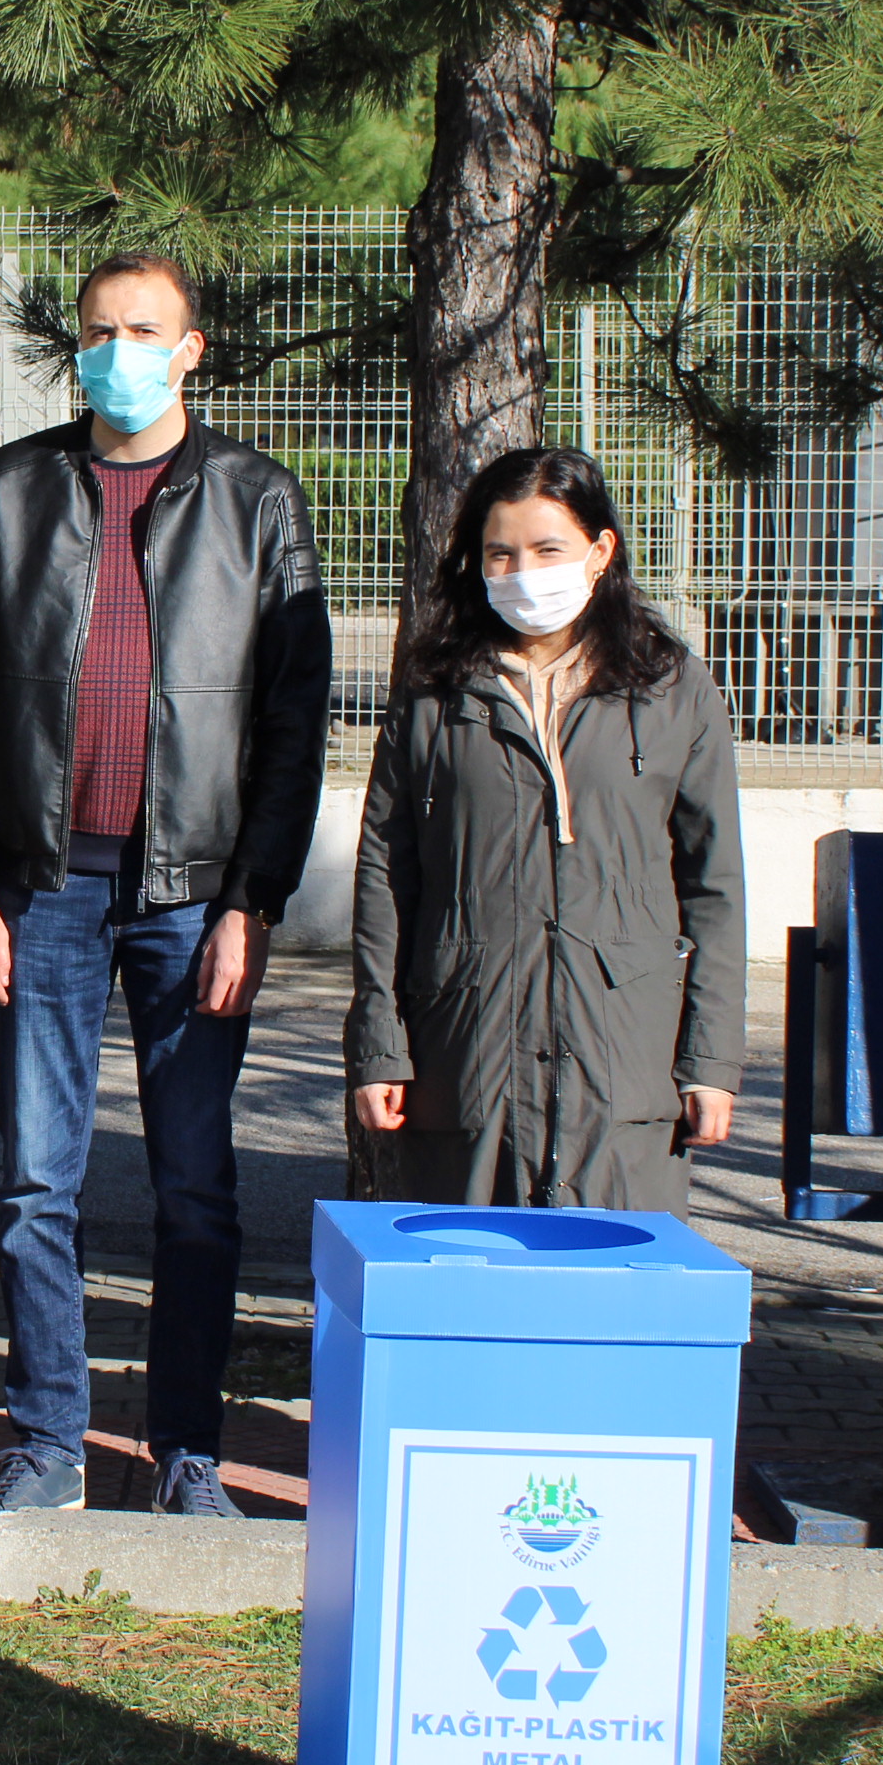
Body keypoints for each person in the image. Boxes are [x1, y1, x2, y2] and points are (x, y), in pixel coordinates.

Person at [0, 254, 332, 1518]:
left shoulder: (256, 499)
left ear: (191, 347)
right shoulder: (12, 488)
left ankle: (185, 1451)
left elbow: (291, 721)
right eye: (98, 329)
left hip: (192, 900)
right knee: (36, 1183)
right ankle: (47, 1439)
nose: (118, 349)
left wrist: (252, 900)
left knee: (196, 1189)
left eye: (143, 329)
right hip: (41, 891)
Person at [348, 444, 748, 1212]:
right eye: (500, 554)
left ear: (600, 551)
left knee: (609, 1305)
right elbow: (382, 878)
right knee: (470, 1290)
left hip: (623, 1056)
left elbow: (714, 885)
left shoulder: (672, 689)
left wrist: (710, 1060)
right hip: (467, 1051)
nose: (522, 571)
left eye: (546, 549)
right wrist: (379, 1047)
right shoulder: (436, 695)